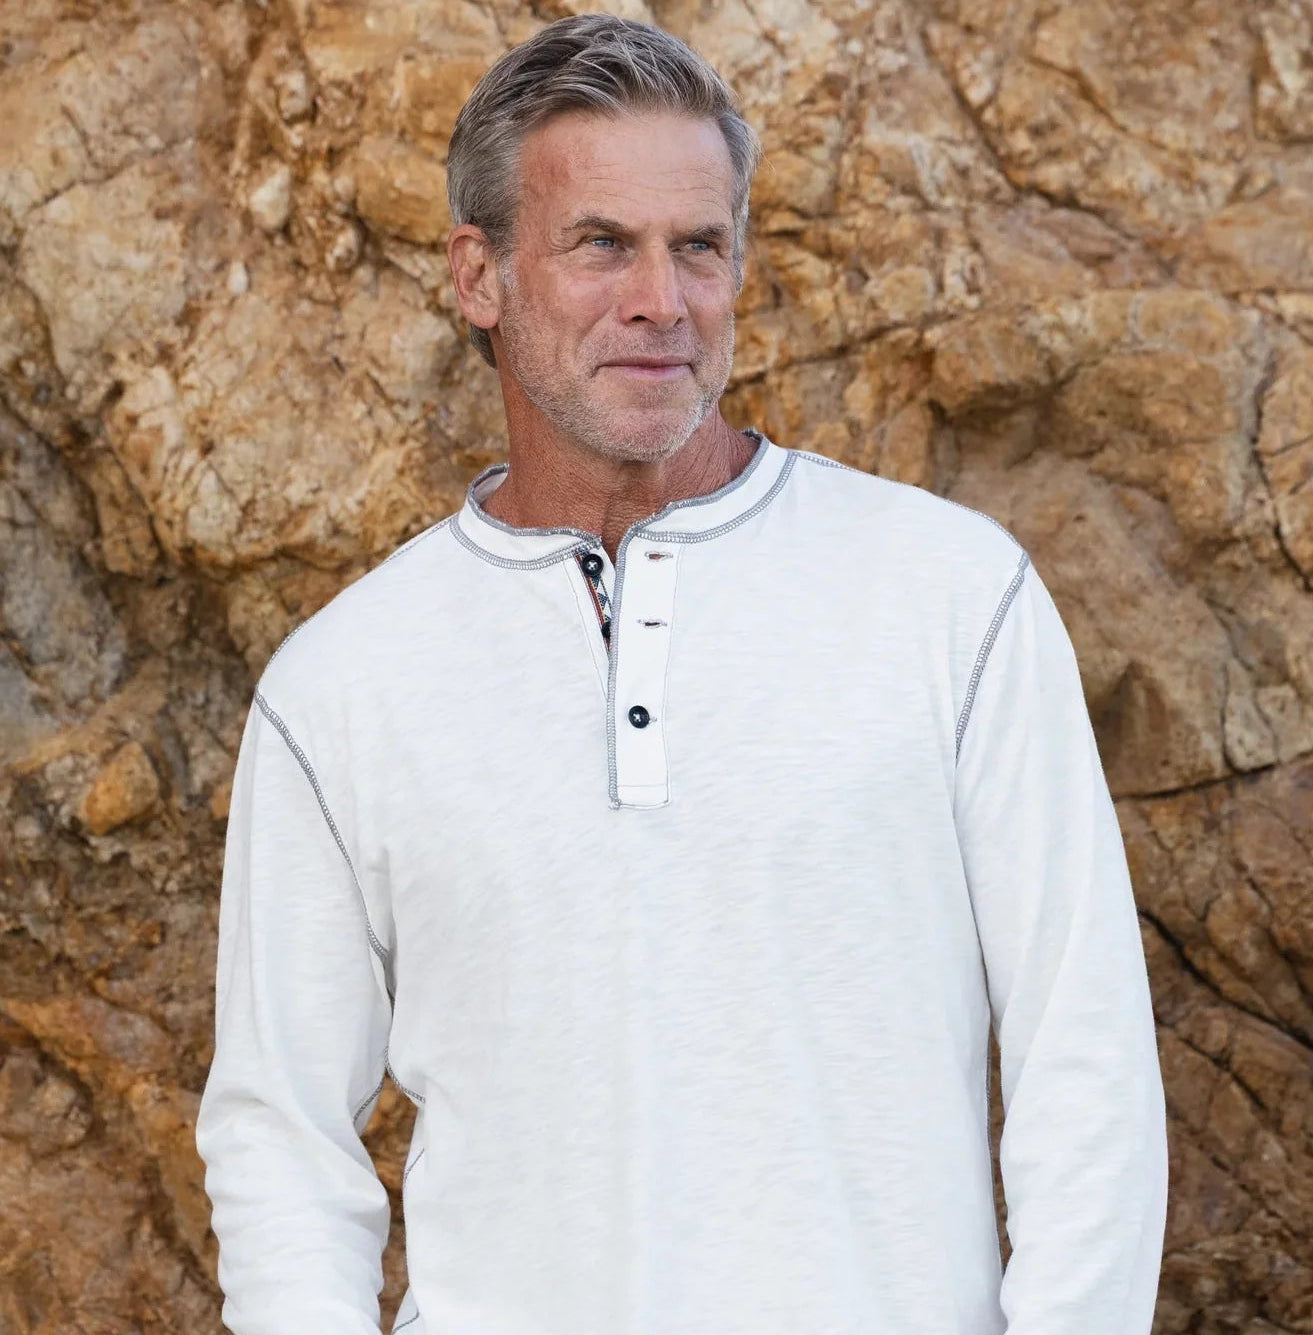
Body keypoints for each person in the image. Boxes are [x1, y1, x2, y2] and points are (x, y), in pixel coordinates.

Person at [195, 14, 1169, 1335]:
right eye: (602, 244)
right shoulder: (343, 686)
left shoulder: (951, 598)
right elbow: (280, 1136)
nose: (661, 299)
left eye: (697, 246)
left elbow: (1085, 1061)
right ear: (479, 275)